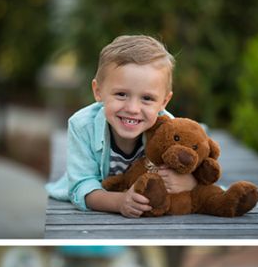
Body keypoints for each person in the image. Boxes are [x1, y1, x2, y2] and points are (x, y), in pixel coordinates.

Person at [45, 34, 197, 217]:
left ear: (164, 101)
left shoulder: (171, 130)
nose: (133, 109)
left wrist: (190, 182)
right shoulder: (82, 125)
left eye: (147, 98)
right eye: (121, 94)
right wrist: (119, 202)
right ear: (98, 91)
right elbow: (81, 185)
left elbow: (199, 166)